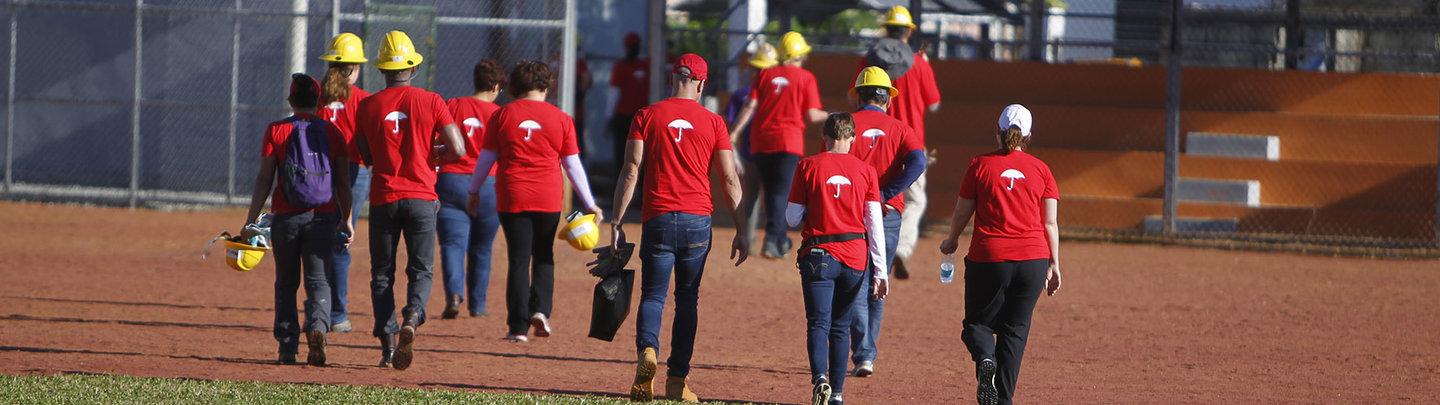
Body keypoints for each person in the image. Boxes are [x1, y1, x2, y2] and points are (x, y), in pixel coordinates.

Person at [609, 54, 748, 403]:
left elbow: (631, 170)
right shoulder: (715, 122)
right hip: (697, 221)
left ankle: (647, 354)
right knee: (687, 299)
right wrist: (742, 228)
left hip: (656, 217)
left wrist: (616, 222)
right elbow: (730, 178)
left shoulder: (646, 115)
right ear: (701, 85)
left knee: (653, 295)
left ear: (673, 79)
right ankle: (676, 380)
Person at [353, 30, 466, 370]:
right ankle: (413, 317)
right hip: (421, 197)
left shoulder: (368, 105)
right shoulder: (432, 100)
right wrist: (432, 158)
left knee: (381, 274)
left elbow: (365, 155)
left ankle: (387, 348)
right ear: (413, 67)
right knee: (421, 269)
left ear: (382, 69)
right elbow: (459, 150)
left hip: (384, 196)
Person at [467, 60, 603, 343]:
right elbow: (573, 165)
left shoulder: (502, 115)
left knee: (518, 259)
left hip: (512, 195)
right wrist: (590, 202)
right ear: (546, 85)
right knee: (544, 255)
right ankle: (540, 310)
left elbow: (487, 158)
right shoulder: (562, 118)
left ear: (515, 86)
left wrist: (473, 190)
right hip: (548, 197)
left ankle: (517, 327)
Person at [938, 105, 1062, 405]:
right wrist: (1054, 263)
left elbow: (962, 211)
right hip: (1033, 259)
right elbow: (1050, 222)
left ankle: (984, 361)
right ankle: (1002, 400)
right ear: (1028, 135)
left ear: (998, 131)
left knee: (976, 325)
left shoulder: (979, 164)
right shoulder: (1042, 169)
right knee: (1014, 332)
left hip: (989, 256)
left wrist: (951, 241)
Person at [243, 73, 353, 366]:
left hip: (286, 217)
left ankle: (287, 347)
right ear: (319, 102)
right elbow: (343, 183)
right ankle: (318, 327)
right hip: (323, 217)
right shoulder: (333, 133)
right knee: (319, 280)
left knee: (286, 282)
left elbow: (265, 178)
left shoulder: (276, 130)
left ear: (291, 101)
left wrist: (251, 219)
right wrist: (347, 220)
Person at [785, 113, 889, 405]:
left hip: (819, 254)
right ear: (853, 138)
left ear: (825, 136)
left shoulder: (807, 165)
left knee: (818, 323)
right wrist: (881, 271)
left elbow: (792, 218)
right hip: (855, 257)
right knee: (840, 326)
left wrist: (814, 207)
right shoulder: (867, 171)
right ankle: (838, 394)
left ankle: (820, 379)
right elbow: (873, 224)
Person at [844, 67, 926, 378]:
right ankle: (867, 352)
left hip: (851, 213)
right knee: (880, 281)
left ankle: (863, 351)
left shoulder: (847, 125)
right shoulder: (901, 128)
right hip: (889, 213)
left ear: (859, 96)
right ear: (887, 100)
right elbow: (917, 162)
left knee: (856, 285)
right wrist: (887, 192)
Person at [729, 31, 827, 260]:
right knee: (780, 192)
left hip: (761, 141)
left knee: (773, 191)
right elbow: (812, 115)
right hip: (789, 141)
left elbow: (750, 106)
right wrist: (833, 114)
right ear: (796, 55)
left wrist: (735, 131)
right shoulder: (805, 77)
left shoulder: (765, 74)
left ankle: (780, 239)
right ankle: (773, 240)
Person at [863, 6, 942, 279]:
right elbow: (934, 105)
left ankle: (867, 248)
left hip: (872, 140)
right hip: (910, 142)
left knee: (868, 195)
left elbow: (855, 99)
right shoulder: (919, 63)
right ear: (909, 31)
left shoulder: (870, 59)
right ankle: (901, 248)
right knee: (914, 201)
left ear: (886, 29)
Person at [436, 59, 506, 319]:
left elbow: (438, 138)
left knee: (453, 244)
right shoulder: (499, 113)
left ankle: (454, 295)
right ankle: (478, 305)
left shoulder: (454, 105)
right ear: (496, 86)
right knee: (482, 247)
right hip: (488, 182)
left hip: (452, 179)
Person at [317, 32, 371, 333]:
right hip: (353, 172)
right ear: (354, 68)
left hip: (317, 171)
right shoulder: (363, 99)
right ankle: (337, 315)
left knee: (316, 237)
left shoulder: (317, 97)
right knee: (341, 240)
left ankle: (317, 311)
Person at [724, 42, 777, 253]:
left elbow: (730, 126)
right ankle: (759, 240)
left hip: (757, 151)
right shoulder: (745, 94)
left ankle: (754, 239)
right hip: (757, 152)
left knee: (756, 197)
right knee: (762, 196)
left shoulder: (745, 94)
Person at [608, 32, 651, 176]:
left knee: (626, 154)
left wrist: (609, 116)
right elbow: (614, 93)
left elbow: (613, 94)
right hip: (629, 116)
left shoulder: (641, 65)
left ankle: (626, 190)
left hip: (633, 117)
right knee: (631, 154)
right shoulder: (642, 66)